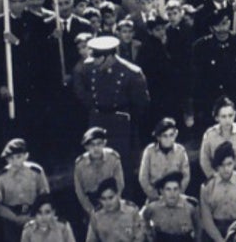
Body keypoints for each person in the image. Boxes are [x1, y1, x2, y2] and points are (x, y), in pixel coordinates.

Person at [72, 35, 151, 176]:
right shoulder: (90, 68)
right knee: (96, 165)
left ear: (109, 57)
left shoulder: (131, 73)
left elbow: (141, 104)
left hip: (120, 125)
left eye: (97, 57)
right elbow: (84, 91)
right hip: (97, 120)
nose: (94, 61)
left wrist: (125, 119)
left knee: (121, 166)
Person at [0, 139, 50, 242]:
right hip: (11, 219)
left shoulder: (36, 171)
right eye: (11, 158)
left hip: (34, 215)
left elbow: (44, 195)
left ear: (26, 156)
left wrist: (33, 215)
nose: (15, 162)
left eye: (18, 157)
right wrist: (14, 218)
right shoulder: (1, 176)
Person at [198, 143, 236, 242]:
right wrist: (219, 239)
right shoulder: (207, 187)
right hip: (217, 232)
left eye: (229, 164)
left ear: (234, 162)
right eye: (222, 165)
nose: (226, 169)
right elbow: (207, 219)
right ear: (217, 166)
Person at [198, 97, 236, 180]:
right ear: (217, 117)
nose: (228, 120)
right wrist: (214, 179)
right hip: (217, 178)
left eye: (230, 115)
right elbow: (204, 160)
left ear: (235, 115)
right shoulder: (209, 135)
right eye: (223, 116)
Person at [73, 128, 125, 220]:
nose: (96, 148)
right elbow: (79, 191)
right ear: (86, 147)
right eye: (92, 145)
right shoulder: (80, 164)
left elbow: (120, 184)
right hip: (91, 202)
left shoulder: (113, 158)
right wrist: (91, 210)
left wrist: (112, 204)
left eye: (99, 144)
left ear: (104, 143)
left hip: (112, 200)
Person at [138, 119, 191, 204]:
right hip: (154, 199)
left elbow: (186, 176)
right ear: (158, 137)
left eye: (171, 135)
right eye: (165, 136)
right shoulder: (149, 151)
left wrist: (176, 195)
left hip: (176, 198)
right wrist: (155, 196)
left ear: (175, 135)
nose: (169, 139)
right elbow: (143, 178)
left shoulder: (181, 151)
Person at [140, 173, 199, 242]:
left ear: (180, 190)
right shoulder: (153, 207)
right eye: (168, 189)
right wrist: (149, 234)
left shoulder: (190, 207)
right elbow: (142, 219)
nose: (172, 193)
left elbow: (198, 225)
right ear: (162, 191)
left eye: (175, 189)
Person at [85, 178, 145, 242]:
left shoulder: (131, 210)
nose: (108, 202)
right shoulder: (96, 215)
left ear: (118, 195)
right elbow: (91, 240)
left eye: (111, 198)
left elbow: (140, 237)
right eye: (103, 199)